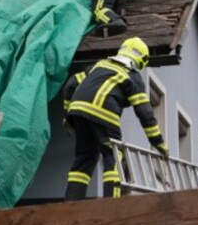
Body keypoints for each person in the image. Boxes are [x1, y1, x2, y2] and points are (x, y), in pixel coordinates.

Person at [61, 36, 168, 201]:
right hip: (104, 115)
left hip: (78, 112)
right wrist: (158, 142)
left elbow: (71, 84)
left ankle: (71, 204)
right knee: (114, 158)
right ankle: (111, 204)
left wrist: (67, 114)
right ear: (142, 59)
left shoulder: (98, 66)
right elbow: (145, 113)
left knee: (84, 158)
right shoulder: (131, 76)